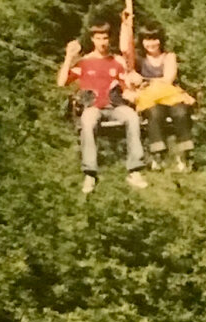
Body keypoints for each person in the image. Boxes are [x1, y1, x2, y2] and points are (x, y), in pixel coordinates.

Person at [58, 21, 148, 194]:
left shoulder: (117, 61)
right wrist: (69, 57)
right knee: (87, 121)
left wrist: (134, 87)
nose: (102, 42)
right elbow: (62, 82)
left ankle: (135, 170)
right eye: (98, 38)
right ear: (93, 39)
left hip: (114, 105)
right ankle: (90, 173)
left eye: (105, 38)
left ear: (110, 39)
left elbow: (127, 87)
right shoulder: (84, 62)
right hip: (93, 106)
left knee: (132, 117)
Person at [132, 25, 195, 171]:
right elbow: (131, 76)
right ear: (142, 41)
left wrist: (145, 79)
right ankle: (158, 155)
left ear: (160, 40)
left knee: (181, 112)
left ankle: (184, 154)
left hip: (169, 94)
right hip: (150, 97)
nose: (151, 44)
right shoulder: (139, 59)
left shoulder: (168, 56)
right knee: (155, 113)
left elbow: (168, 79)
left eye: (154, 39)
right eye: (147, 40)